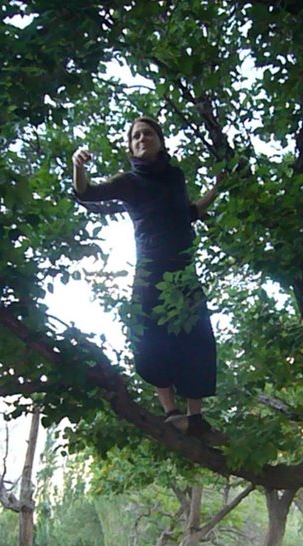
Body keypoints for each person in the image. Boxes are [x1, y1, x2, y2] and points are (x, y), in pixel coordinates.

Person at [72, 117, 225, 445]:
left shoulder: (176, 176)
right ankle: (172, 414)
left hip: (184, 272)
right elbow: (85, 192)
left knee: (198, 339)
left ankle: (196, 420)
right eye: (136, 135)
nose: (142, 138)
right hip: (150, 272)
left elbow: (189, 213)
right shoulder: (129, 182)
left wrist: (217, 188)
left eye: (148, 133)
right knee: (151, 339)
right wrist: (78, 165)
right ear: (131, 146)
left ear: (160, 139)